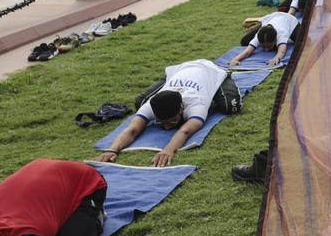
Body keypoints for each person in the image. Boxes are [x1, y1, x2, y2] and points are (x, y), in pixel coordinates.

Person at [95, 59, 231, 167]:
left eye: (172, 121)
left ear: (181, 109)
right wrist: (112, 150)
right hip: (182, 69)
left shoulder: (197, 104)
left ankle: (224, 74)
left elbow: (185, 131)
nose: (166, 128)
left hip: (210, 71)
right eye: (161, 122)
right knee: (139, 102)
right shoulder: (150, 106)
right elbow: (132, 129)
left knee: (230, 107)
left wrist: (168, 150)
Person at [229, 11, 300, 67]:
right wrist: (235, 59)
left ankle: (257, 23)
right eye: (263, 46)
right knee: (244, 41)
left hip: (289, 19)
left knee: (302, 42)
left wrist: (276, 58)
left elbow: (281, 52)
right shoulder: (259, 35)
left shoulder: (281, 33)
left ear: (275, 40)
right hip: (270, 17)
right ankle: (258, 24)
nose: (266, 50)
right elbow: (247, 51)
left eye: (268, 46)